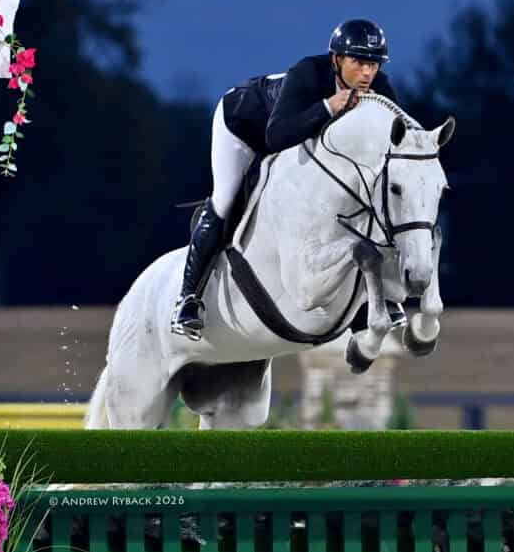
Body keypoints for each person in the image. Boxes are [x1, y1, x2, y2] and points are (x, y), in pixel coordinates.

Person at [170, 18, 404, 340]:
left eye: (374, 64)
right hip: (244, 126)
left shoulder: (380, 89)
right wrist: (326, 107)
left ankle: (376, 298)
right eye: (359, 62)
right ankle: (188, 300)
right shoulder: (306, 74)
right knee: (226, 199)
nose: (367, 73)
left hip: (297, 137)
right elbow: (276, 136)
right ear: (336, 59)